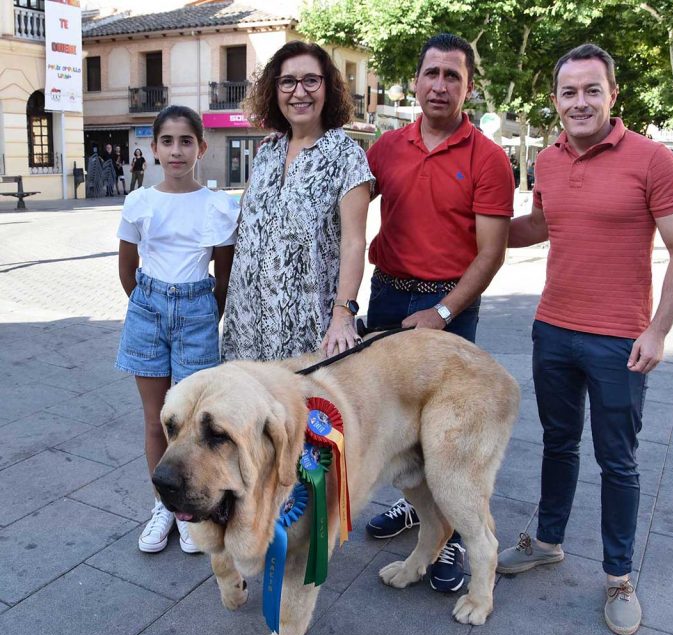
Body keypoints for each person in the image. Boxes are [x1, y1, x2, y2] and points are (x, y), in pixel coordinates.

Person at [498, 44, 673, 635]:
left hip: (620, 341)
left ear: (613, 95)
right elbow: (540, 224)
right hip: (553, 328)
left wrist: (658, 331)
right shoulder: (548, 160)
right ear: (555, 100)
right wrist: (473, 229)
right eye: (569, 92)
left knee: (618, 461)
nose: (580, 102)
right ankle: (548, 541)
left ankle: (618, 576)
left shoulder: (653, 159)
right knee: (557, 444)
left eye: (592, 90)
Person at [362, 33, 514, 594]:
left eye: (453, 75)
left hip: (450, 305)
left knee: (449, 436)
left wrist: (443, 312)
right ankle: (420, 510)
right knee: (396, 426)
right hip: (386, 297)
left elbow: (491, 253)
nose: (440, 85)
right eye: (432, 73)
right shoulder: (386, 147)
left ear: (468, 86)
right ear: (416, 81)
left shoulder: (488, 159)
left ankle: (452, 535)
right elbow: (345, 209)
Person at [115, 105, 239, 555]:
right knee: (156, 420)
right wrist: (148, 305)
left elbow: (223, 277)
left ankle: (187, 508)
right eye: (167, 141)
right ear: (153, 148)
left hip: (197, 316)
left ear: (200, 147)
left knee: (190, 424)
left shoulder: (219, 206)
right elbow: (128, 269)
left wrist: (203, 313)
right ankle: (162, 506)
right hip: (147, 311)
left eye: (186, 141)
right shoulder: (140, 202)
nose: (176, 151)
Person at [221, 41, 373, 361]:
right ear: (274, 90)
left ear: (327, 88)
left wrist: (344, 315)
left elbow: (353, 243)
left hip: (306, 329)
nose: (299, 92)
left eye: (311, 81)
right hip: (247, 326)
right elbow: (246, 225)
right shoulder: (266, 153)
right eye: (288, 81)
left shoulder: (347, 157)